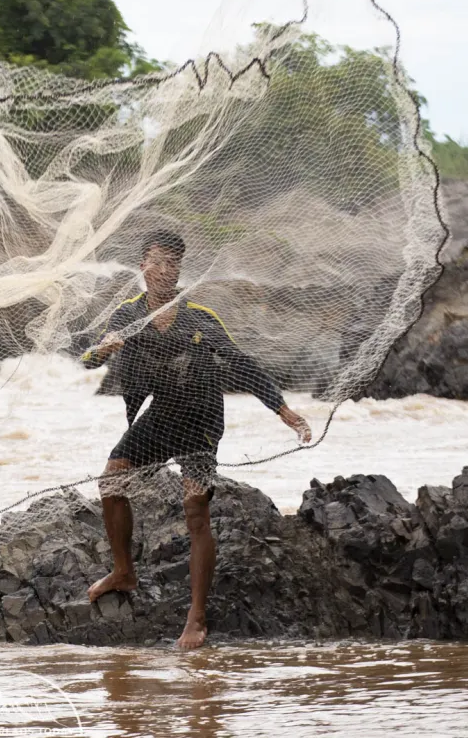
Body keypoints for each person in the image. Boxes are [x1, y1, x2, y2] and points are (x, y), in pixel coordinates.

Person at [80, 229, 312, 649]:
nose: (165, 270)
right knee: (112, 481)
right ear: (142, 265)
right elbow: (87, 359)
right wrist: (104, 350)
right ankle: (123, 571)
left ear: (180, 271)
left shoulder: (201, 317)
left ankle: (197, 616)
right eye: (158, 261)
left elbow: (240, 364)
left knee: (195, 512)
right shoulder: (126, 314)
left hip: (203, 418)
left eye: (174, 264)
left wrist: (283, 410)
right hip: (162, 415)